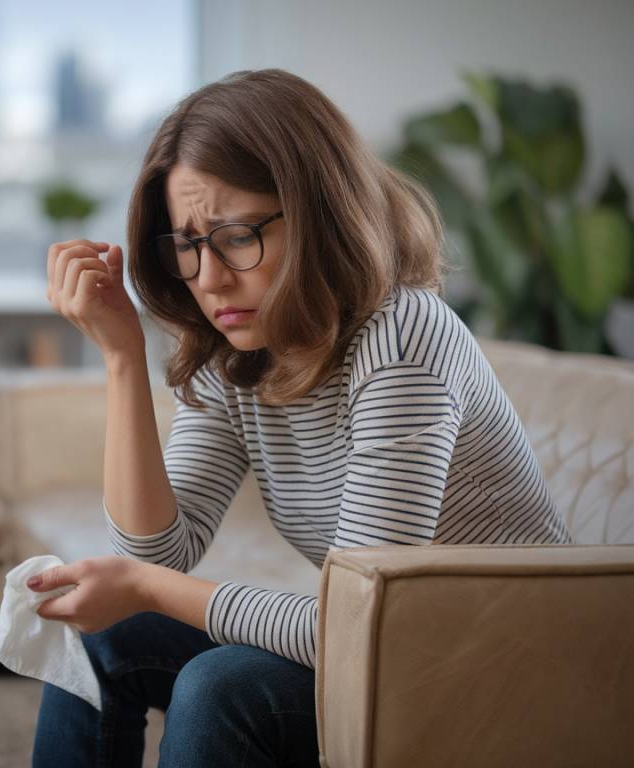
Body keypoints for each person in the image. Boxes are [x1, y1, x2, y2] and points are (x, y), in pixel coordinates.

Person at [29, 68, 572, 768]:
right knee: (94, 632)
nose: (211, 278)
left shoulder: (403, 338)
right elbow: (155, 553)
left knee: (220, 685)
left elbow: (351, 625)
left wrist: (143, 589)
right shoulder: (238, 350)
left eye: (235, 236)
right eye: (188, 245)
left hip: (496, 672)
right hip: (382, 654)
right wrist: (122, 358)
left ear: (317, 210)